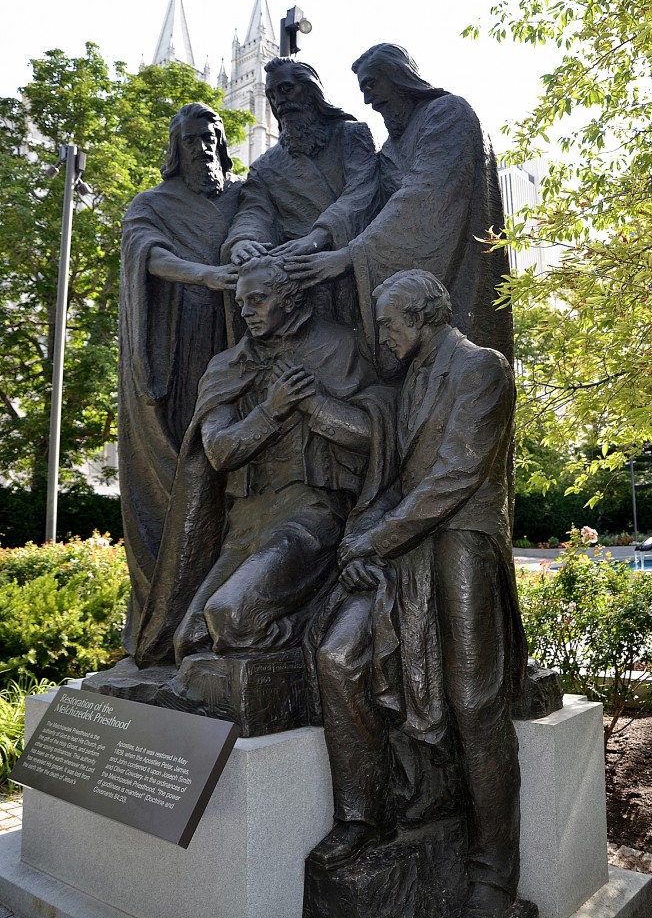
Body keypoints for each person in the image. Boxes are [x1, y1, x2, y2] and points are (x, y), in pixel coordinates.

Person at [310, 271, 526, 918]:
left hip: (461, 540)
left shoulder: (481, 369)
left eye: (389, 324)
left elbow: (454, 476)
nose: (382, 337)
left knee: (472, 702)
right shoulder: (405, 385)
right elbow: (397, 476)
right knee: (339, 653)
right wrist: (364, 540)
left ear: (423, 316)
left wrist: (375, 540)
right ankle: (367, 815)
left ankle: (492, 875)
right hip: (405, 547)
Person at [132, 256, 396, 668]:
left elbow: (377, 436)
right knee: (191, 640)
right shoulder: (228, 365)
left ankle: (308, 640)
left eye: (257, 300)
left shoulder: (341, 346)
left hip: (311, 515)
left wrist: (314, 405)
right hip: (247, 523)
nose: (246, 312)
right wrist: (271, 410)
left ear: (290, 298)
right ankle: (290, 646)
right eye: (241, 303)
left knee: (230, 616)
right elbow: (218, 453)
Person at [284, 44, 513, 367]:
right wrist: (318, 237)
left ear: (398, 75)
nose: (367, 100)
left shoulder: (448, 113)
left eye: (371, 85)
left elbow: (424, 195)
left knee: (465, 374)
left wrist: (350, 256)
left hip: (460, 272)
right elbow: (364, 199)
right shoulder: (391, 146)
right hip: (411, 300)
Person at [119, 102, 241, 654]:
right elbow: (149, 256)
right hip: (179, 351)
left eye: (212, 136)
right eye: (192, 139)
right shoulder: (152, 204)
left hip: (239, 347)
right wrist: (206, 275)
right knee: (180, 487)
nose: (204, 146)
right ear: (177, 148)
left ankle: (227, 622)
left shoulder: (244, 198)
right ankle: (164, 624)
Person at [221, 57, 380, 340]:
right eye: (271, 95)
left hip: (350, 265)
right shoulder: (265, 165)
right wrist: (243, 240)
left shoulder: (350, 135)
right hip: (297, 283)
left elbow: (362, 191)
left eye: (286, 89)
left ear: (310, 91)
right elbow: (254, 210)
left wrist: (319, 235)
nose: (279, 101)